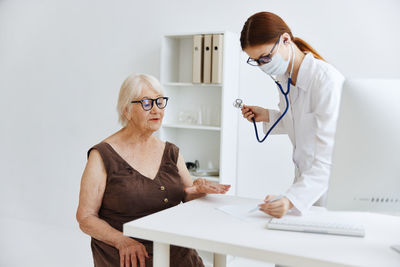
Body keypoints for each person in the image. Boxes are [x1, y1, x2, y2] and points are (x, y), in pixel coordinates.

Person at [76, 73, 230, 267]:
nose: (156, 110)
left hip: (175, 253)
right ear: (127, 110)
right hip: (129, 255)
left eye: (160, 102)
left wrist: (199, 189)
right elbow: (85, 217)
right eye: (147, 103)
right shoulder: (102, 155)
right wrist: (122, 241)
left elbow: (188, 194)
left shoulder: (171, 151)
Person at [240, 12, 344, 218]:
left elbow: (329, 158)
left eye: (265, 57)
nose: (262, 66)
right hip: (306, 186)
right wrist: (268, 115)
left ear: (285, 40)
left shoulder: (326, 81)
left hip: (330, 189)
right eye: (256, 61)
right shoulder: (284, 79)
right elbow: (301, 122)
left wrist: (291, 200)